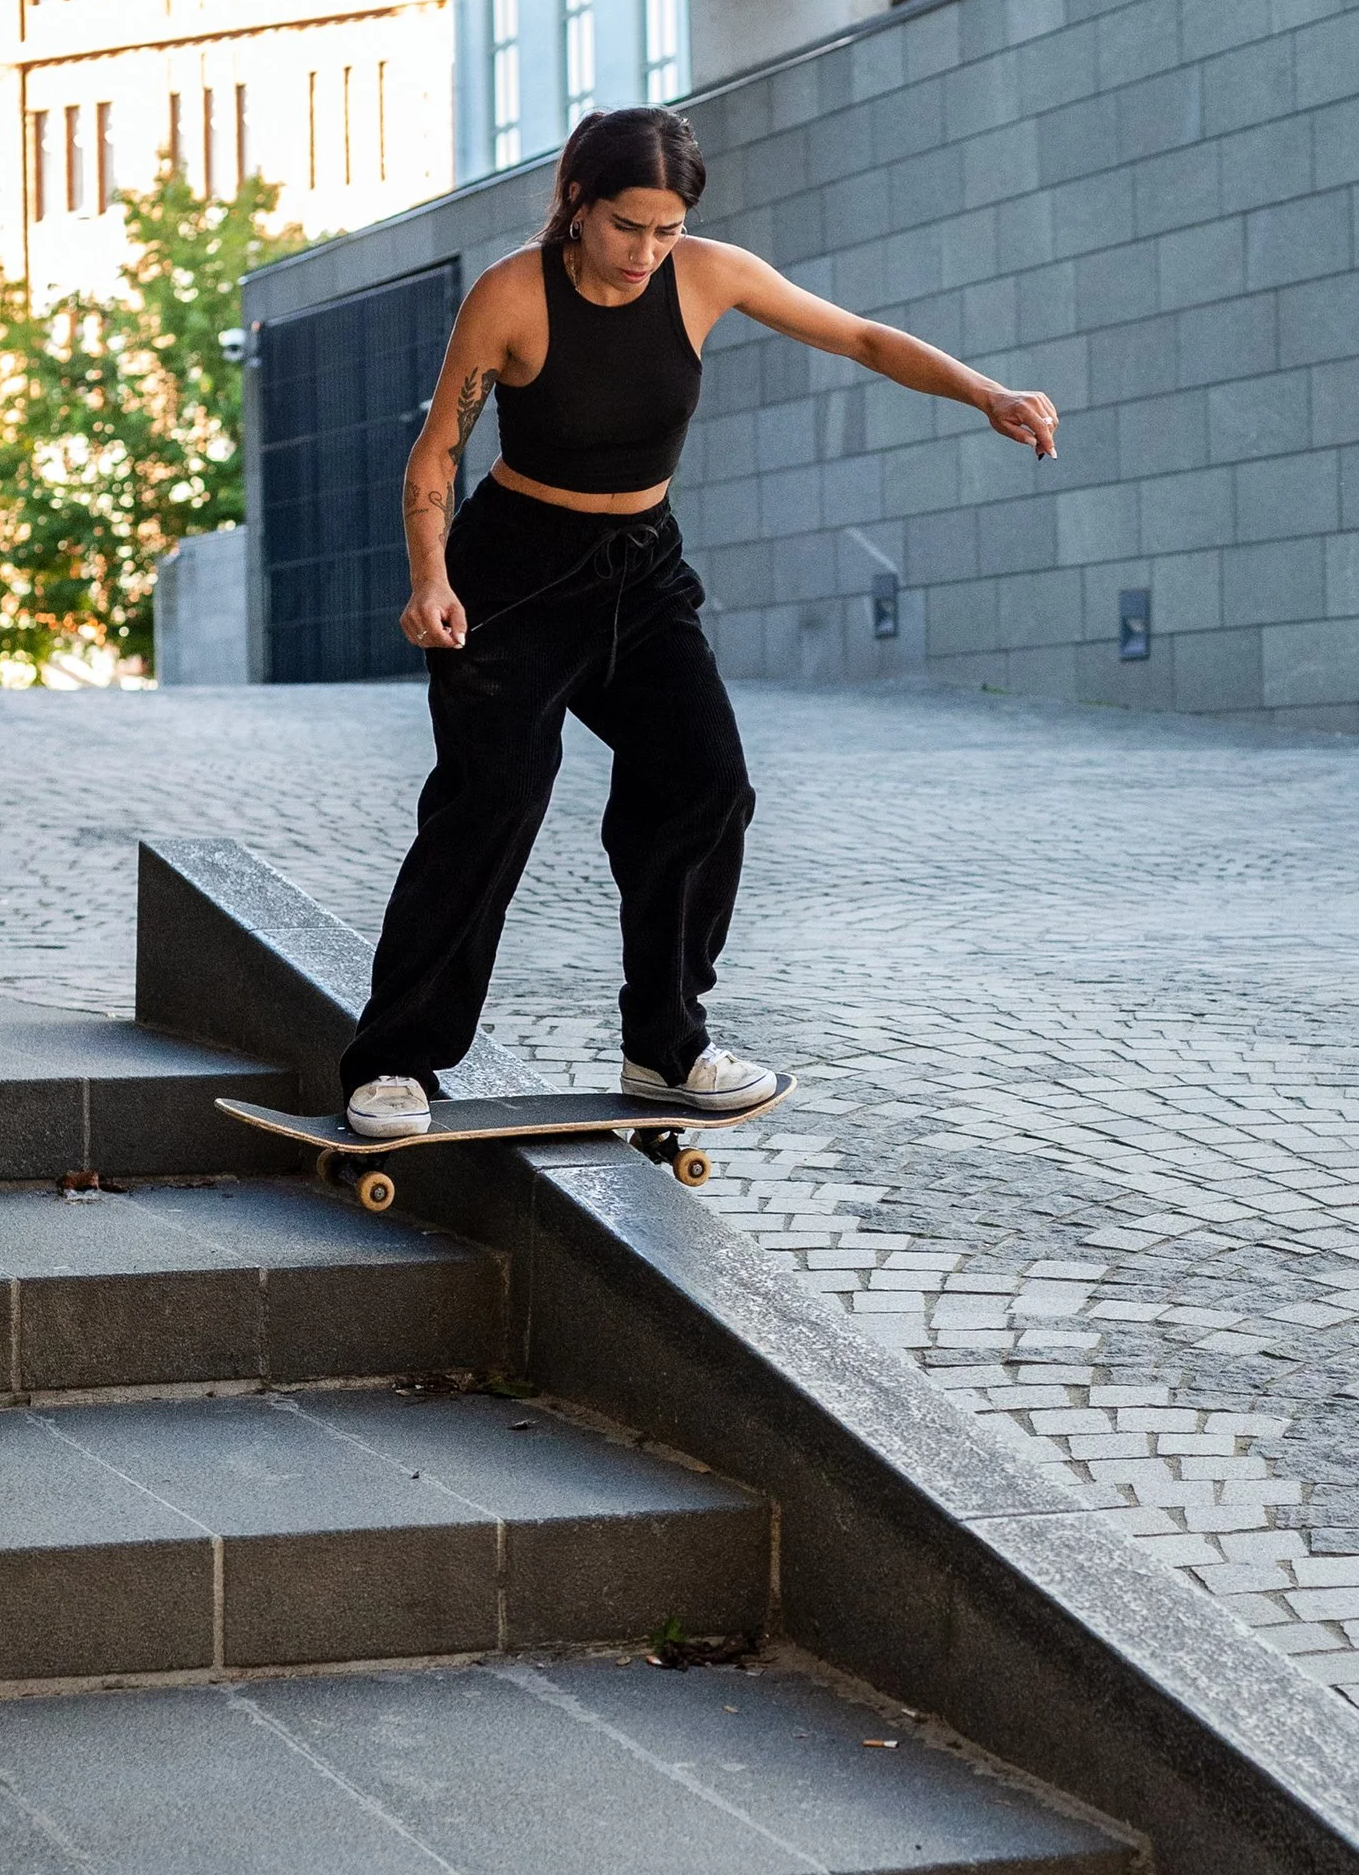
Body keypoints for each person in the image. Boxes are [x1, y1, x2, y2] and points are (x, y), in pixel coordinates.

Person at [338, 104, 1059, 1139]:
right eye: (629, 226)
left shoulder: (707, 274)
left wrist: (984, 392)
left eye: (668, 228)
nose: (647, 252)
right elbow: (437, 453)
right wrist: (429, 575)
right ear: (578, 206)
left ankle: (665, 1046)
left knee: (705, 784)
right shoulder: (512, 296)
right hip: (512, 579)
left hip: (642, 572)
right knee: (489, 804)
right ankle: (392, 1063)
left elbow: (857, 336)